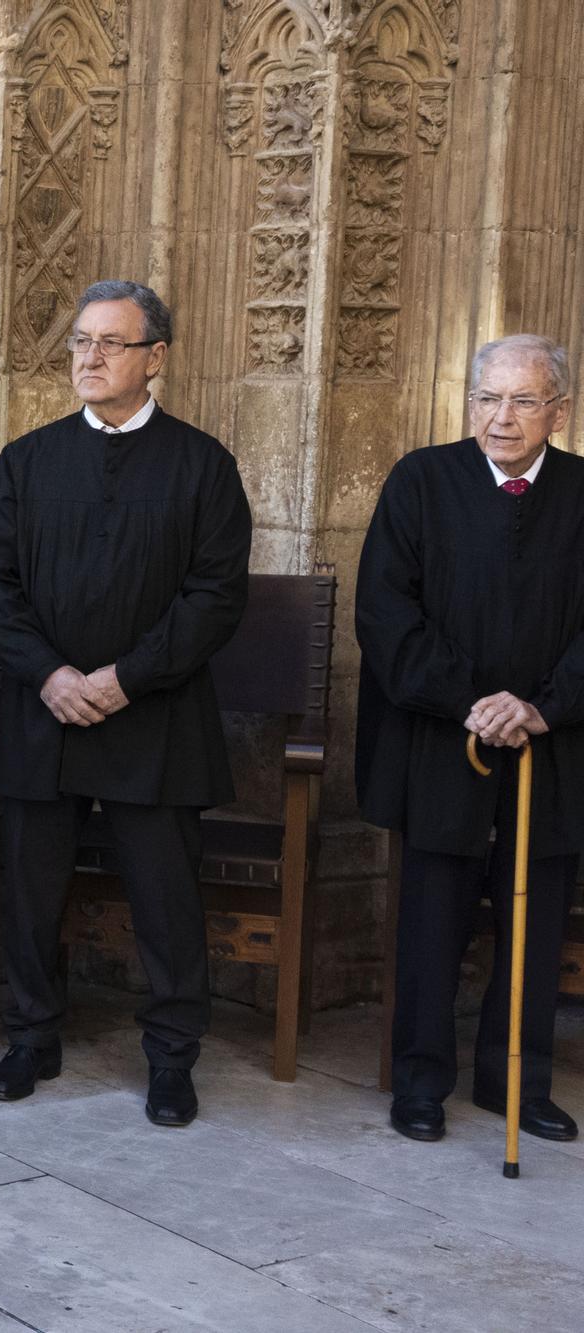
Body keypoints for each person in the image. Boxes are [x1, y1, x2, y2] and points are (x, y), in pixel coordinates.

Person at [0, 280, 250, 1127]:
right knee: (31, 886)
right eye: (81, 342)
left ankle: (170, 1056)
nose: (88, 358)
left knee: (166, 897)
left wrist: (126, 677)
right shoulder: (26, 460)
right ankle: (30, 1036)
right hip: (43, 710)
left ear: (155, 358)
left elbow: (214, 595)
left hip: (155, 715)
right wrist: (52, 674)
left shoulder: (203, 465)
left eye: (110, 344)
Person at [358, 334, 580, 1145]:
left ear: (559, 410)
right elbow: (386, 612)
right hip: (446, 737)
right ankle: (420, 1080)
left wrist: (544, 706)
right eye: (488, 397)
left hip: (553, 742)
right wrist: (473, 702)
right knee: (432, 913)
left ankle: (514, 1082)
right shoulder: (421, 481)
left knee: (537, 916)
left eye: (524, 401)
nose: (502, 417)